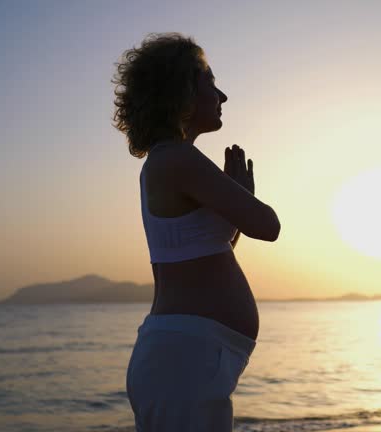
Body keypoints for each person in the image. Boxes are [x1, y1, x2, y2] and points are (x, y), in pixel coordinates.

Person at [112, 32, 281, 431]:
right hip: (183, 359)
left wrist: (235, 205)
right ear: (183, 92)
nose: (222, 97)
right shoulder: (178, 159)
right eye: (211, 83)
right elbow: (269, 226)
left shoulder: (171, 160)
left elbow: (211, 247)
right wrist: (242, 197)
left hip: (187, 358)